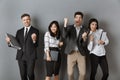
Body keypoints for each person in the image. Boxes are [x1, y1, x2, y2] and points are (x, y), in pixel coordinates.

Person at [6, 13, 39, 80]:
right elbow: (16, 44)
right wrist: (9, 42)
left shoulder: (35, 31)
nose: (26, 21)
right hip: (21, 56)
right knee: (23, 75)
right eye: (24, 20)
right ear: (22, 21)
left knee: (30, 74)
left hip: (31, 56)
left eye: (27, 19)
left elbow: (36, 45)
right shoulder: (19, 31)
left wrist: (34, 40)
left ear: (30, 20)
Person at [63, 11, 88, 80]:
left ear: (82, 20)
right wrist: (65, 24)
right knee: (70, 73)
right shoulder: (69, 27)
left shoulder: (85, 29)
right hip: (71, 52)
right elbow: (64, 36)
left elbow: (84, 44)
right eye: (76, 17)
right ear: (74, 19)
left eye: (80, 18)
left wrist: (84, 38)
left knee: (83, 73)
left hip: (81, 53)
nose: (78, 19)